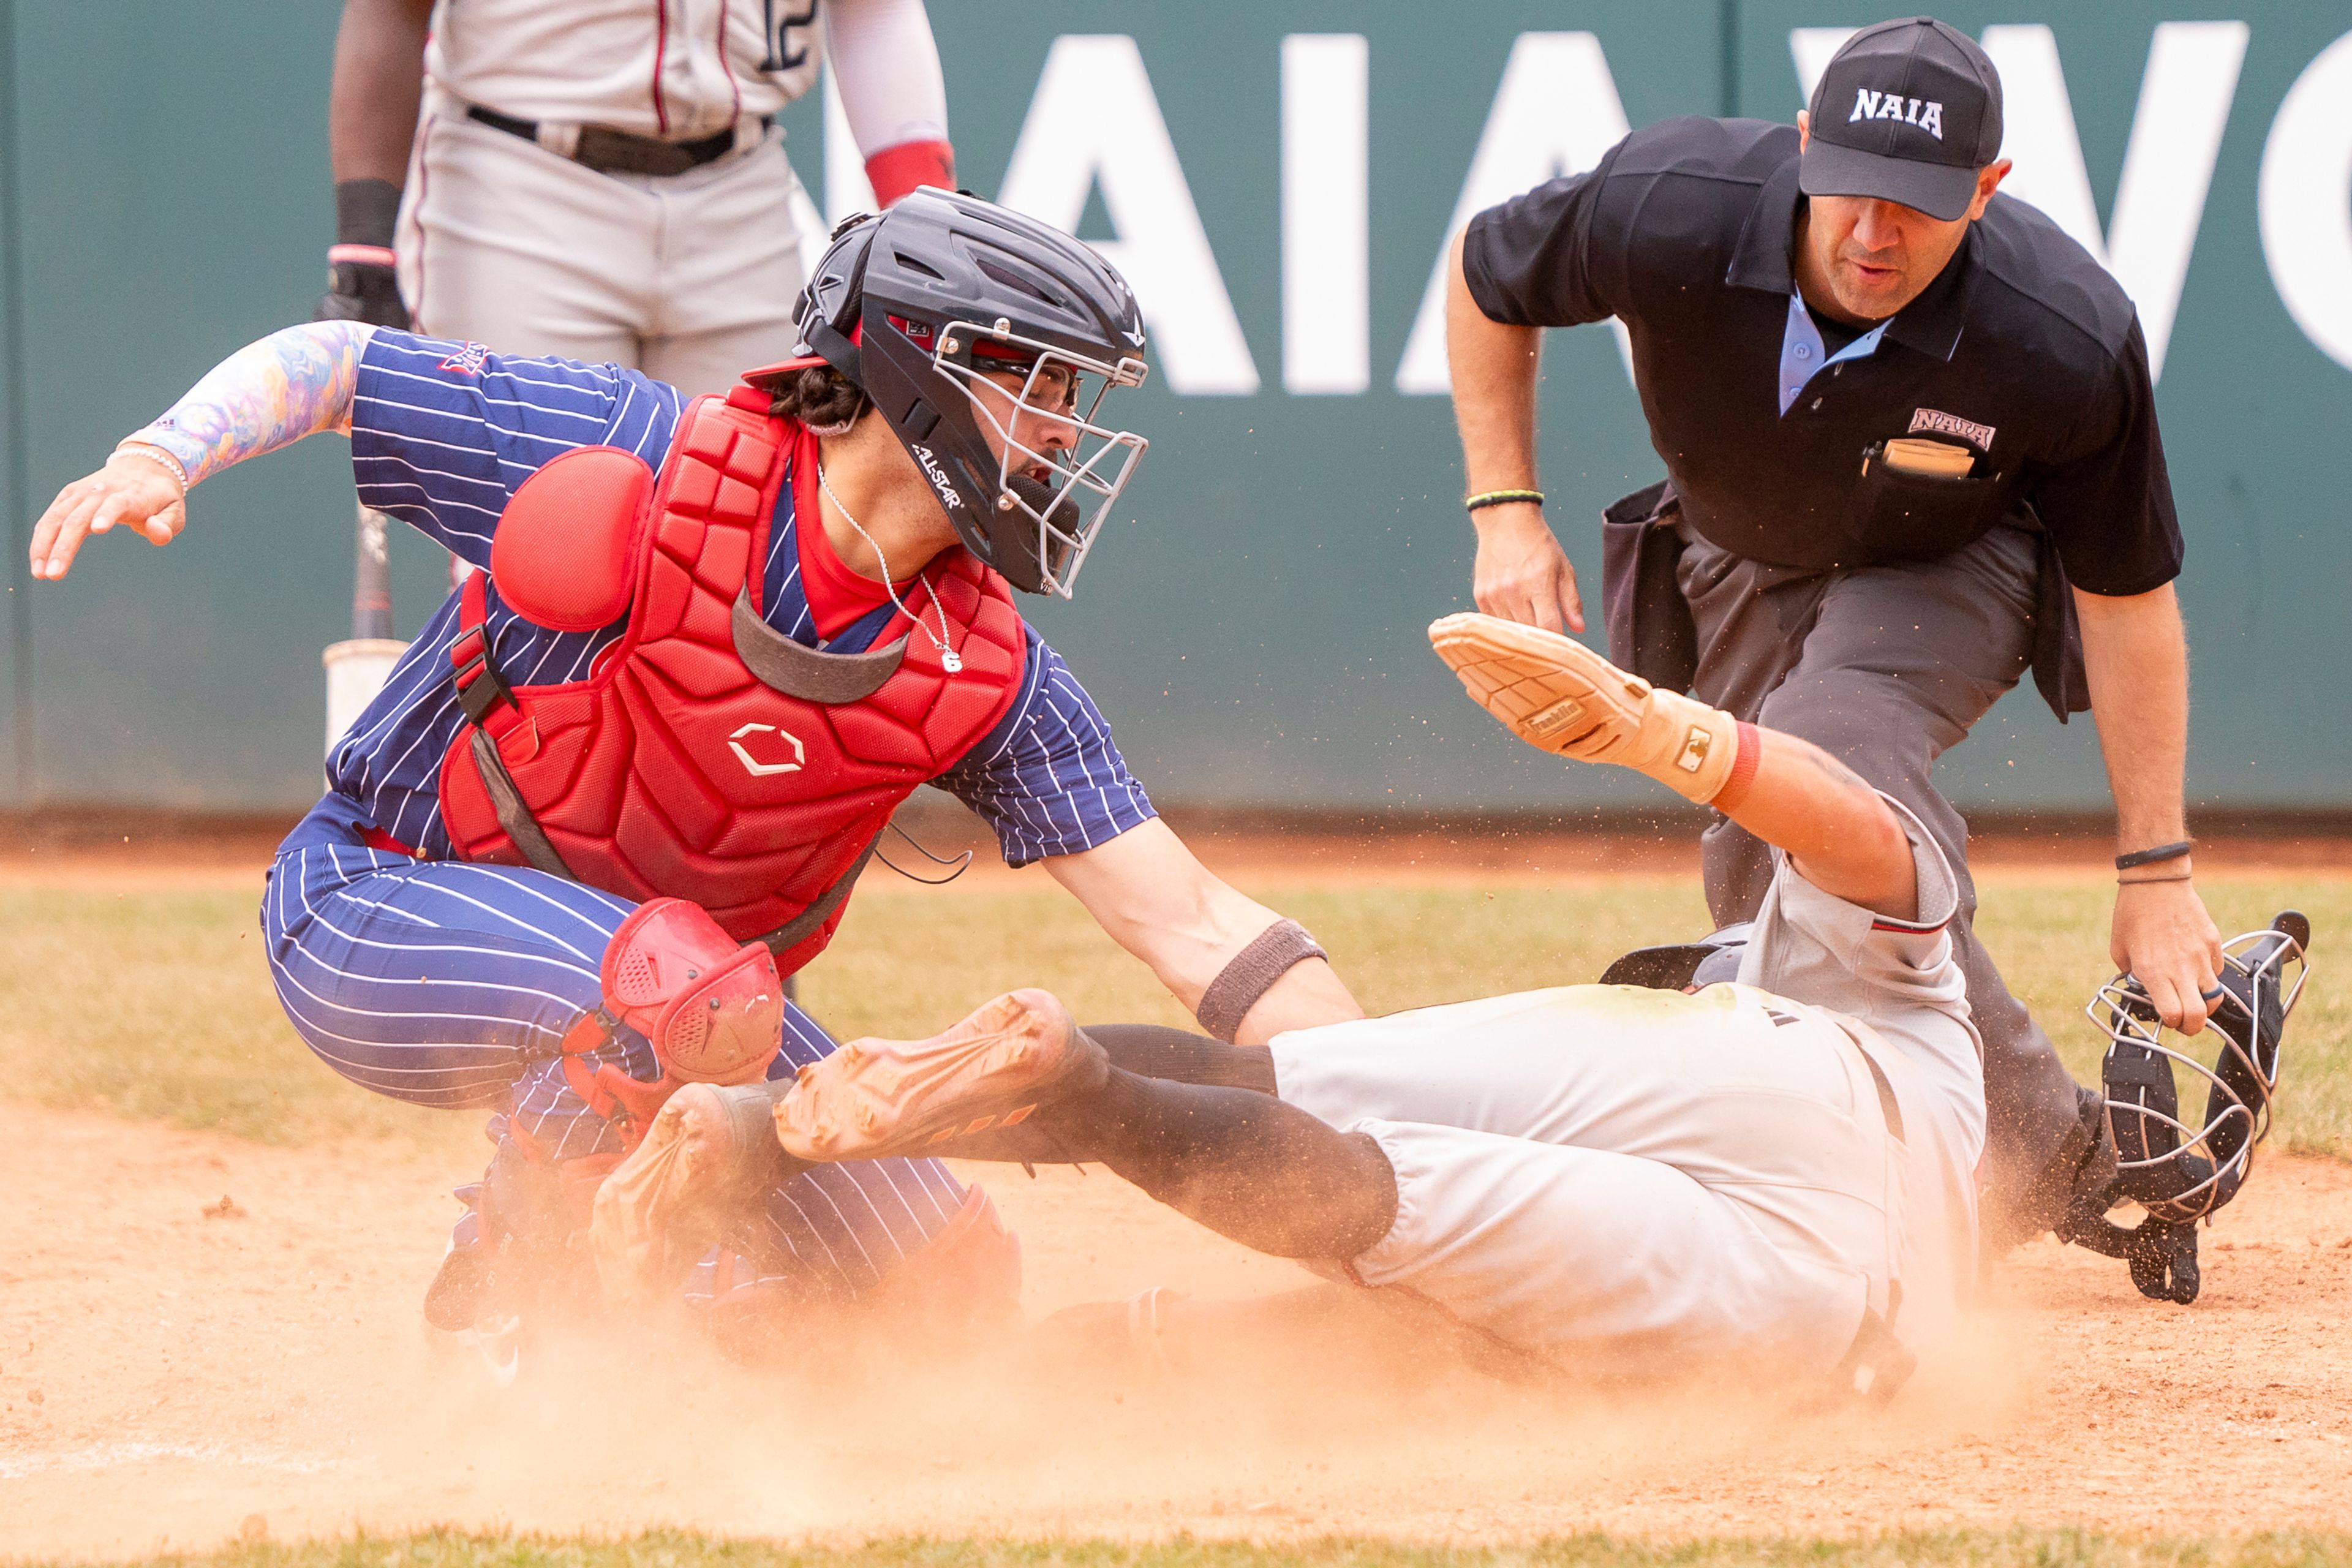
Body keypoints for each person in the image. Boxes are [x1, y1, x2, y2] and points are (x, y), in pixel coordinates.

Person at [28, 190, 1362, 1359]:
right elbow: (340, 367)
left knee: (946, 1294)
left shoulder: (983, 668)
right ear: (933, 369)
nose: (1067, 440)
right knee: (679, 985)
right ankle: (522, 1319)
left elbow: (1194, 923)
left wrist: (1396, 1103)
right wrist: (164, 451)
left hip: (684, 1001)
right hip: (378, 905)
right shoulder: (646, 453)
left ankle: (718, 1353)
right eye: (1049, 391)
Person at [601, 615, 1989, 1389]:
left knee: (1316, 1080)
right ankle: (1080, 1088)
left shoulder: (1923, 1029)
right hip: (1823, 1307)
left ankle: (773, 1124)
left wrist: (1660, 731)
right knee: (1386, 1212)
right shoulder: (1947, 1164)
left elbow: (1863, 836)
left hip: (1771, 1058)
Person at [1439, 16, 2222, 1286]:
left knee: (1820, 760)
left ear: (1988, 189)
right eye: (1849, 186)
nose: (1873, 232)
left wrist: (2156, 868)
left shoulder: (2062, 330)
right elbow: (1487, 275)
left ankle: (2024, 1158)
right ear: (1804, 146)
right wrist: (1504, 506)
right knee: (1763, 861)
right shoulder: (1671, 203)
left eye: (1917, 205)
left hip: (1953, 558)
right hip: (1737, 547)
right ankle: (2011, 1150)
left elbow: (2128, 596)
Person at [317, 0, 955, 395]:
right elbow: (393, 9)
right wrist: (366, 244)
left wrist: (924, 223)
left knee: (740, 537)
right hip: (523, 186)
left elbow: (874, 13)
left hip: (741, 192)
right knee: (549, 552)